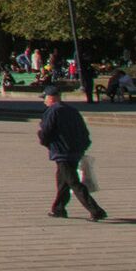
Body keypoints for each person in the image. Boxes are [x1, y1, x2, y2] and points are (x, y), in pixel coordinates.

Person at [38, 81, 105, 221]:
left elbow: (46, 131)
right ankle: (59, 208)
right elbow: (84, 131)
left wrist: (45, 143)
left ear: (50, 98)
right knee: (63, 180)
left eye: (44, 98)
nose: (44, 101)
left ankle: (96, 210)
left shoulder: (52, 111)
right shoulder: (72, 110)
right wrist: (83, 146)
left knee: (73, 182)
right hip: (75, 150)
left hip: (62, 152)